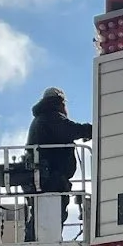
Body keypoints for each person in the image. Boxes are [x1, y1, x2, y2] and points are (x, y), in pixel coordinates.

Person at [24, 87, 93, 234]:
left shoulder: (41, 119)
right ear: (60, 102)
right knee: (52, 215)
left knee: (41, 216)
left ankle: (33, 238)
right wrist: (91, 130)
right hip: (51, 179)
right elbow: (71, 129)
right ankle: (39, 241)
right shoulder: (52, 116)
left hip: (41, 178)